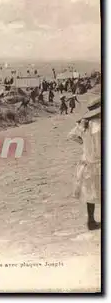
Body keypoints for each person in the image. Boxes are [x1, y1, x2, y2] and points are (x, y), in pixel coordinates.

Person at [68, 96, 101, 231]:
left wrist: (83, 143)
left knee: (90, 193)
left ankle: (91, 221)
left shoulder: (83, 124)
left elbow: (71, 135)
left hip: (87, 162)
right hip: (99, 162)